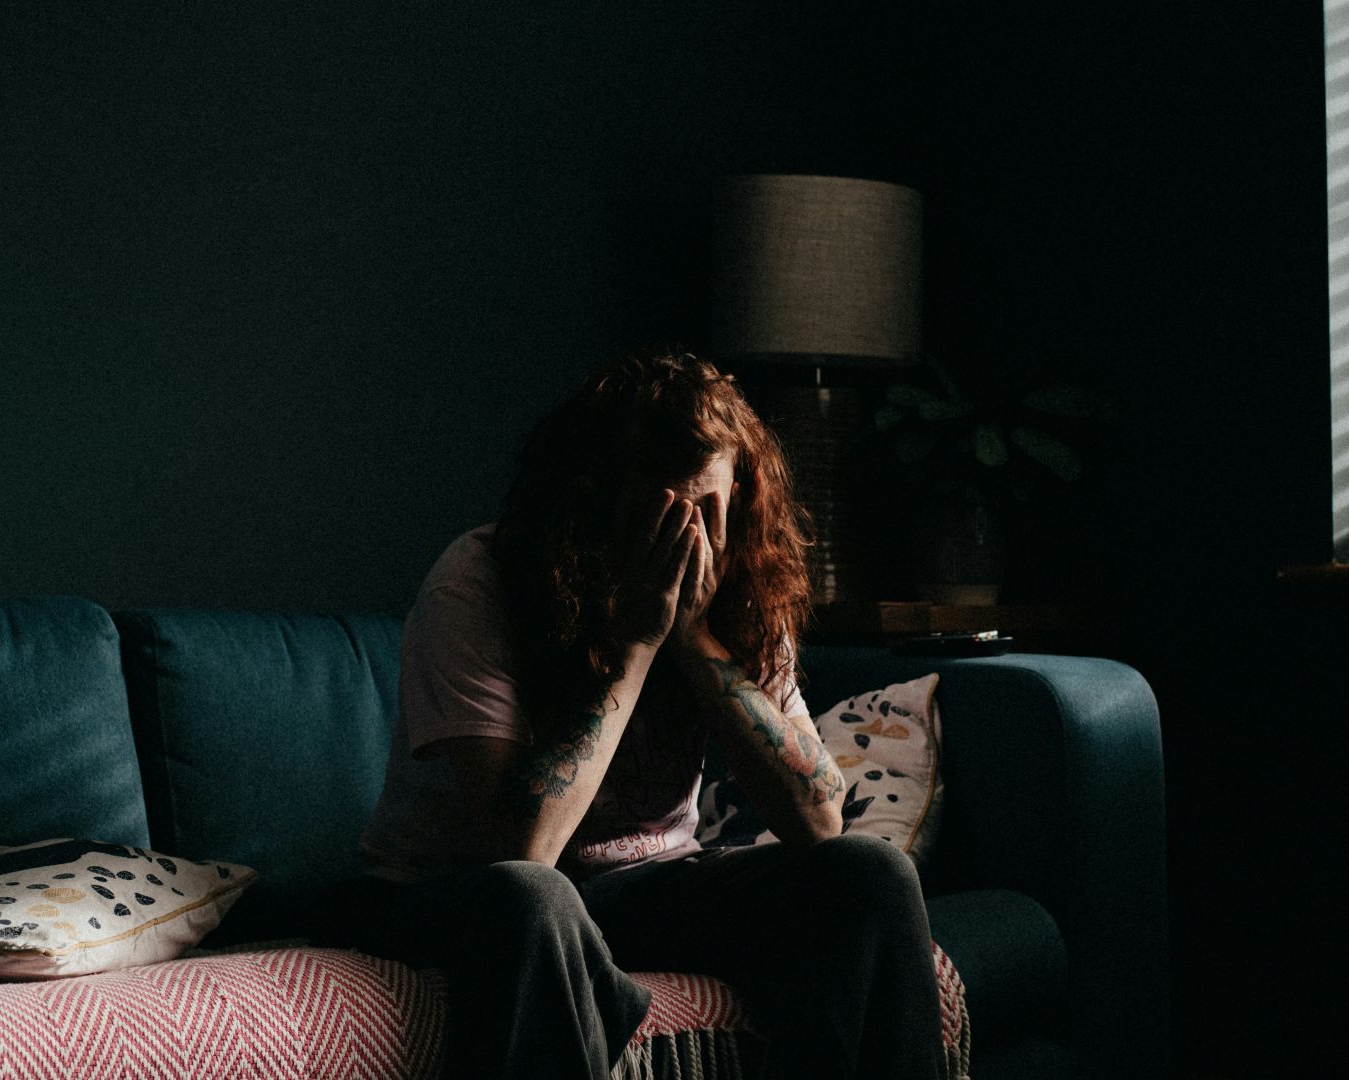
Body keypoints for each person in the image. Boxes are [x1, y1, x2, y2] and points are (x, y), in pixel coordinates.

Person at [318, 351, 945, 1078]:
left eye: (710, 508)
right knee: (535, 898)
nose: (693, 540)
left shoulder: (736, 577)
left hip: (648, 885)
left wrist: (693, 639)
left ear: (738, 491)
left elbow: (818, 818)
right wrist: (639, 638)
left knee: (868, 872)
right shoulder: (481, 578)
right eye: (664, 515)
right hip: (454, 891)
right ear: (593, 503)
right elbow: (523, 847)